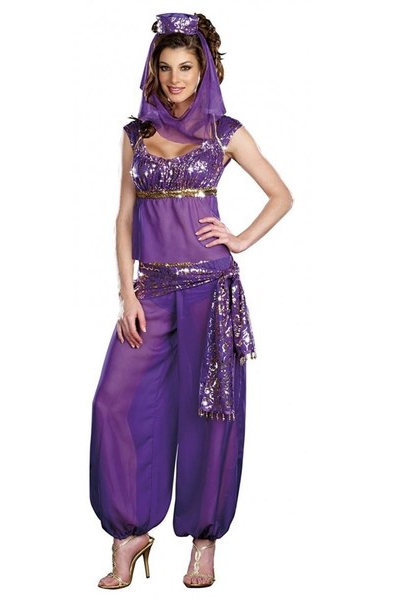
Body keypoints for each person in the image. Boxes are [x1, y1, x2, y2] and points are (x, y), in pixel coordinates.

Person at [89, 12, 293, 589]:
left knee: (208, 414)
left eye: (186, 67)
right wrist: (126, 291)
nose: (175, 78)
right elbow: (124, 218)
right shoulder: (135, 135)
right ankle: (128, 534)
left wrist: (240, 238)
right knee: (113, 403)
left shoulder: (225, 132)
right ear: (153, 71)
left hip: (209, 289)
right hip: (150, 292)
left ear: (204, 71)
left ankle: (204, 541)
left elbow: (281, 195)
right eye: (166, 67)